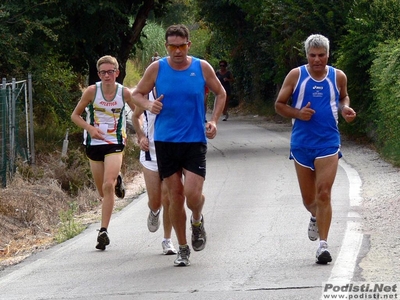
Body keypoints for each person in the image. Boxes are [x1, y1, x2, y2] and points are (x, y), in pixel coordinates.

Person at [131, 24, 226, 267]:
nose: (177, 51)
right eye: (172, 46)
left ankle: (197, 220)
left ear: (188, 45)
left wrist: (214, 120)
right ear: (166, 47)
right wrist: (149, 105)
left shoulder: (201, 67)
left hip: (194, 140)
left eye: (181, 46)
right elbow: (136, 95)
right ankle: (183, 248)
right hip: (165, 141)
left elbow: (221, 93)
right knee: (175, 196)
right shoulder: (157, 68)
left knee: (193, 196)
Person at [274, 34, 356, 264]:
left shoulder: (337, 76)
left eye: (321, 55)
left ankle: (323, 246)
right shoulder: (296, 75)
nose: (317, 60)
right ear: (307, 55)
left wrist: (346, 109)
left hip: (328, 142)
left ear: (328, 55)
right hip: (301, 144)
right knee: (310, 201)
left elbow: (343, 97)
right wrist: (298, 114)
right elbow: (279, 104)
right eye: (312, 55)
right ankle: (314, 216)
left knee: (324, 193)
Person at [71, 55, 135, 251]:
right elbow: (75, 115)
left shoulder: (124, 93)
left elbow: (137, 112)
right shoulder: (92, 91)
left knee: (108, 186)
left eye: (110, 72)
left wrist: (142, 130)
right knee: (102, 191)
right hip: (94, 143)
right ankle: (117, 177)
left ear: (117, 73)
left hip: (115, 142)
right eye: (103, 72)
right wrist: (90, 129)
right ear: (99, 74)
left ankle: (103, 231)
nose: (107, 75)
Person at [131, 56, 176, 256]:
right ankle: (154, 211)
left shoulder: (175, 92)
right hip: (151, 154)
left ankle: (167, 240)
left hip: (172, 152)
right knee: (156, 200)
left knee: (169, 198)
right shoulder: (145, 94)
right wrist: (140, 136)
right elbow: (134, 116)